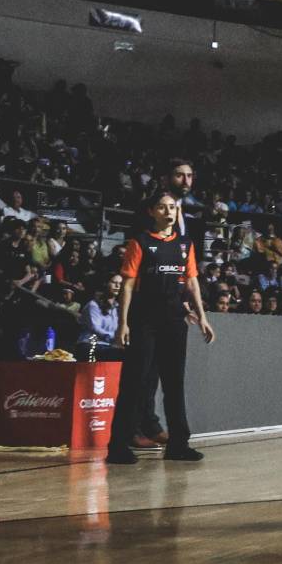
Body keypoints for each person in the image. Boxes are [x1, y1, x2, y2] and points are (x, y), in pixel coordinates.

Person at [107, 191, 215, 464]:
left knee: (174, 384)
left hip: (174, 321)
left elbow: (191, 282)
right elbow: (128, 284)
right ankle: (118, 446)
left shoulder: (185, 244)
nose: (168, 212)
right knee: (135, 382)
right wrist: (123, 323)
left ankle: (178, 445)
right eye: (162, 207)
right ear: (152, 212)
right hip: (144, 321)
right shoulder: (139, 242)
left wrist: (202, 317)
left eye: (172, 207)